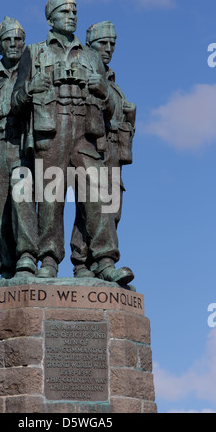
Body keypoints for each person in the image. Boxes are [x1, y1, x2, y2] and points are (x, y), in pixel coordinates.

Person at [11, 0, 130, 284]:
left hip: (86, 131)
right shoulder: (35, 52)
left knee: (98, 192)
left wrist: (102, 90)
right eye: (65, 12)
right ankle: (49, 259)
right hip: (50, 130)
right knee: (51, 198)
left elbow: (112, 110)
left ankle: (104, 260)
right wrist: (31, 88)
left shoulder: (91, 56)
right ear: (50, 17)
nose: (71, 17)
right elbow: (14, 102)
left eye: (74, 12)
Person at [70, 21, 136, 284]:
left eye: (112, 44)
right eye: (103, 43)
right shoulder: (85, 76)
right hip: (89, 148)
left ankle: (93, 263)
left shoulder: (113, 84)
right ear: (90, 45)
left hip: (113, 153)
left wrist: (130, 117)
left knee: (112, 211)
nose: (108, 49)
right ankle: (88, 262)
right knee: (93, 206)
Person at [0, 17, 38, 292]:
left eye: (18, 39)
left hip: (20, 144)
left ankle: (27, 258)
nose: (14, 44)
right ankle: (7, 268)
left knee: (21, 197)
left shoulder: (31, 72)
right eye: (8, 40)